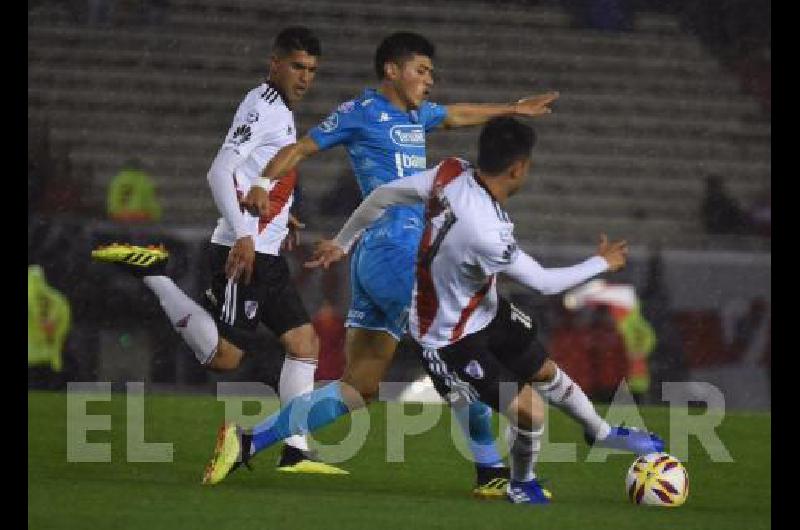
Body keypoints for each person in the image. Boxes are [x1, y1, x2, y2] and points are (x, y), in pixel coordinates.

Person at [203, 118, 665, 502]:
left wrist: (343, 243)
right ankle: (507, 479)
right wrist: (601, 263)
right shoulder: (486, 230)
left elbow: (384, 195)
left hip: (443, 290)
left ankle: (596, 433)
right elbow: (544, 282)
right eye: (421, 72)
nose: (427, 81)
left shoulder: (450, 172)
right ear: (519, 168)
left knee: (536, 371)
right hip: (444, 326)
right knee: (510, 402)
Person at [230, 31, 559, 497]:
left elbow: (457, 115)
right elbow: (303, 148)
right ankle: (490, 471)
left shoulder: (415, 115)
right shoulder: (360, 112)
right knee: (454, 346)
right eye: (421, 70)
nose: (430, 80)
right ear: (392, 70)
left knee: (360, 385)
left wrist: (513, 109)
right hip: (397, 252)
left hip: (373, 255)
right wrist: (263, 179)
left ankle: (249, 440)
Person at [91, 27, 345, 475]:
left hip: (265, 252)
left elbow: (254, 175)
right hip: (240, 252)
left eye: (312, 70)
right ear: (275, 63)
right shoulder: (262, 107)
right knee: (225, 358)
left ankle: (296, 447)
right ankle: (155, 274)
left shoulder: (281, 111)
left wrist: (282, 217)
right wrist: (245, 235)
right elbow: (220, 170)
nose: (305, 78)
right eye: (297, 66)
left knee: (304, 344)